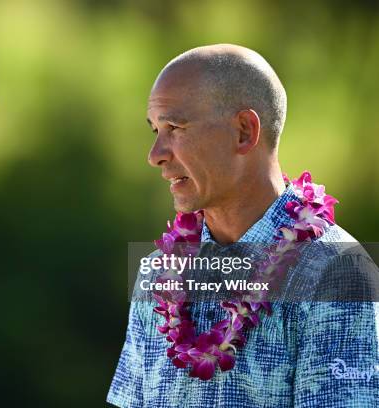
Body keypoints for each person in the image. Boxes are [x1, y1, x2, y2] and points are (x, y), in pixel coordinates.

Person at [108, 44, 379, 407]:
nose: (155, 154)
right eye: (155, 130)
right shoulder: (158, 272)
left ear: (244, 131)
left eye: (174, 127)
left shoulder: (337, 274)